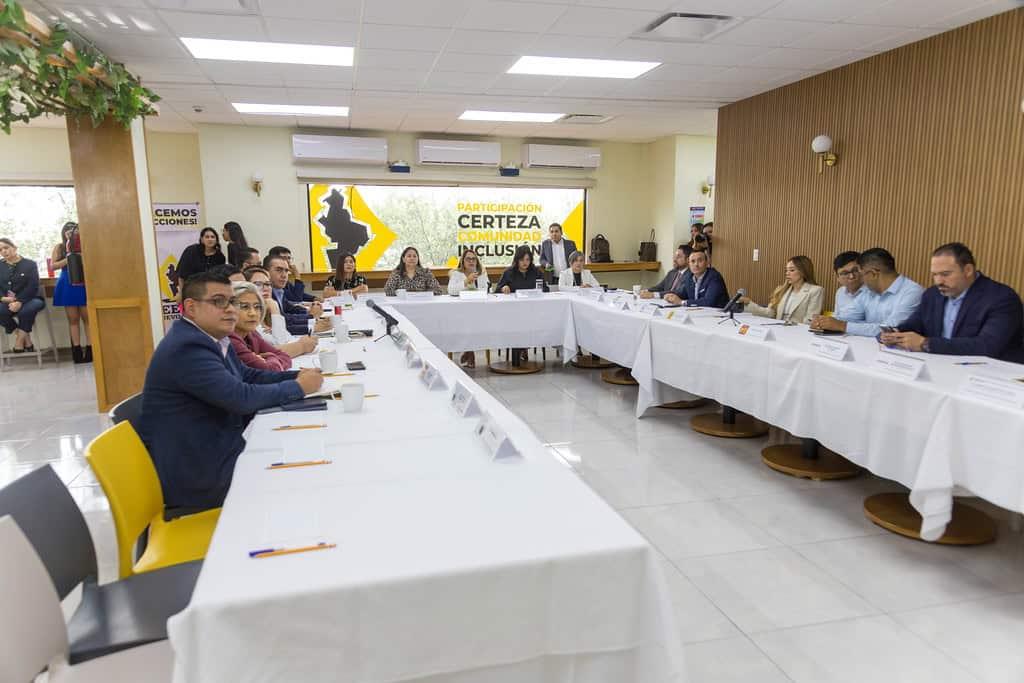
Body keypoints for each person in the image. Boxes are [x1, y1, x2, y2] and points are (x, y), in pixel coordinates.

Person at [137, 271, 323, 510]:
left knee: (302, 453)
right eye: (219, 301)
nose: (230, 309)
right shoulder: (187, 347)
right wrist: (298, 387)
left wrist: (295, 376)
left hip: (216, 452)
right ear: (191, 308)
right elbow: (240, 397)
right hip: (199, 477)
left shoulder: (212, 337)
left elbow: (249, 376)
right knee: (304, 475)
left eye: (232, 301)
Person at [881, 243, 1024, 361]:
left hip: (991, 374)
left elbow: (987, 346)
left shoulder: (1001, 298)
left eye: (945, 274)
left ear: (968, 270)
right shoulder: (932, 295)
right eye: (934, 275)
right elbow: (915, 325)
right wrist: (894, 334)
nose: (938, 281)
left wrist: (926, 344)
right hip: (942, 365)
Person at [811, 247, 923, 336]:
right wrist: (824, 322)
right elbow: (848, 316)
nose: (861, 280)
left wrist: (843, 326)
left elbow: (889, 329)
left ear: (873, 274)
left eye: (862, 274)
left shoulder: (912, 292)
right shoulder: (870, 292)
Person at [243, 266, 317, 358]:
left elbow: (287, 339)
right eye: (258, 284)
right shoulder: (249, 322)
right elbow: (281, 343)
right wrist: (275, 308)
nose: (266, 288)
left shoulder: (265, 316)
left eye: (268, 284)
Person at [228, 281, 293, 371]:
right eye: (244, 307)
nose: (253, 313)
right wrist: (271, 357)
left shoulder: (251, 334)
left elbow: (285, 357)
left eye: (257, 307)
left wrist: (267, 358)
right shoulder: (229, 338)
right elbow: (269, 370)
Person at [739, 256, 824, 324]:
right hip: (778, 331)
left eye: (792, 270)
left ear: (803, 272)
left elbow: (809, 321)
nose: (787, 273)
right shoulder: (781, 290)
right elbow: (769, 313)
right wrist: (749, 303)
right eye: (786, 270)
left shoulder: (816, 291)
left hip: (798, 334)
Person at [51, 221, 91, 363]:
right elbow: (53, 266)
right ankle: (77, 351)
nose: (71, 233)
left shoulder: (87, 244)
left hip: (84, 282)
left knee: (88, 318)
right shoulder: (60, 247)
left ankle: (91, 350)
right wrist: (69, 257)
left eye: (74, 231)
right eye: (67, 231)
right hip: (67, 283)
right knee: (73, 319)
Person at [0, 237, 46, 353]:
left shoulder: (30, 264)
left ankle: (19, 342)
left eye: (6, 247)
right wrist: (3, 298)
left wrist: (19, 301)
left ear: (15, 248)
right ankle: (25, 339)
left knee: (26, 311)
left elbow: (33, 286)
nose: (3, 251)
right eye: (0, 250)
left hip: (31, 299)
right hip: (7, 301)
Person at [265, 255, 330, 336]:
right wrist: (311, 320)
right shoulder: (266, 294)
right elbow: (284, 320)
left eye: (286, 271)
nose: (284, 275)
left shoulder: (278, 290)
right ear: (266, 272)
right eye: (278, 270)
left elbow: (290, 308)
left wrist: (308, 312)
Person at [831, 251, 864, 319]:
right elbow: (837, 317)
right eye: (845, 273)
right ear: (838, 278)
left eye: (855, 270)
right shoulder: (840, 292)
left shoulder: (874, 292)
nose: (851, 276)